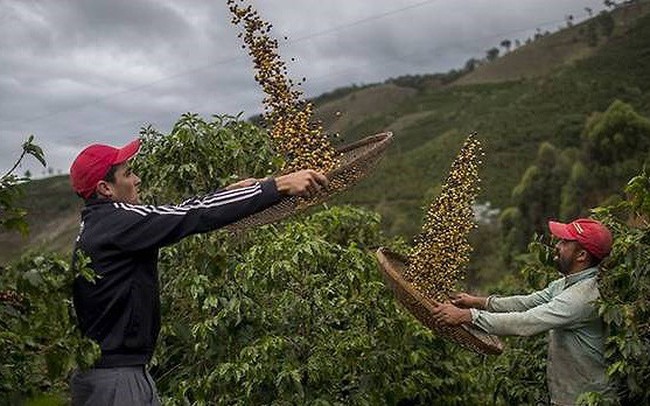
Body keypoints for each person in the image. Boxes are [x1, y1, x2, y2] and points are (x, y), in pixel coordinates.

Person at [68, 138, 328, 405]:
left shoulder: (100, 224)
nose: (137, 179)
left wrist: (229, 193)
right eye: (128, 173)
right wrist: (279, 185)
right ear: (105, 188)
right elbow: (191, 214)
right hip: (117, 381)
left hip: (120, 373)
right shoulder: (118, 222)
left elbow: (182, 210)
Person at [431, 218, 614, 406]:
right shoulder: (565, 284)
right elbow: (526, 303)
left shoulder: (581, 297)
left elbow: (527, 321)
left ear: (581, 255)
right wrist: (477, 302)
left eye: (564, 242)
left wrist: (468, 315)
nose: (557, 246)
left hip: (589, 400)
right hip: (568, 397)